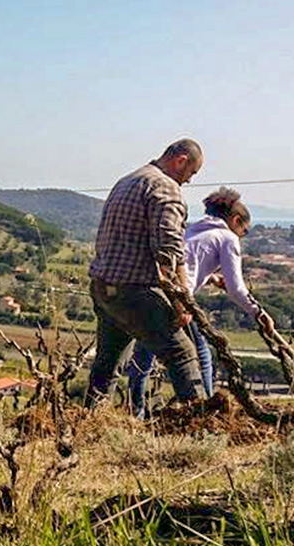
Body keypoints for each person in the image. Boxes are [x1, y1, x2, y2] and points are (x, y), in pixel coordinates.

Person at [125, 187, 276, 418]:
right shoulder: (227, 238)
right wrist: (258, 312)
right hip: (176, 301)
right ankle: (206, 408)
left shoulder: (195, 229)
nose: (241, 237)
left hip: (151, 292)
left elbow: (189, 259)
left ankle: (135, 411)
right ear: (235, 220)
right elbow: (237, 289)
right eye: (243, 231)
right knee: (202, 354)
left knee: (144, 355)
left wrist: (212, 277)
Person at [85, 139, 206, 407]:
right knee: (182, 353)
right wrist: (179, 301)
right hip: (134, 289)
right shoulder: (165, 187)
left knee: (107, 365)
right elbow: (169, 250)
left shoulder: (128, 180)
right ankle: (204, 425)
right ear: (181, 160)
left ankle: (88, 424)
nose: (189, 181)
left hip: (104, 286)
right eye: (191, 173)